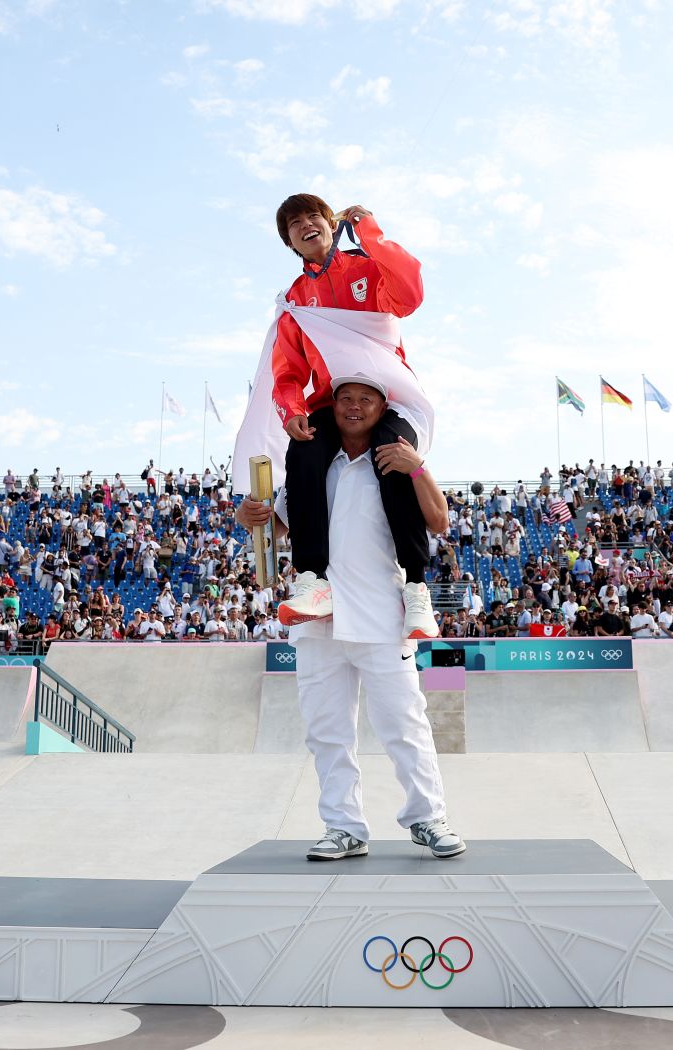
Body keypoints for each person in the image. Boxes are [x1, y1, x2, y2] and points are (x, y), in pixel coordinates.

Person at [235, 375, 464, 862]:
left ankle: (427, 818)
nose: (354, 407)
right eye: (345, 399)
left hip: (382, 617)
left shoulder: (397, 460)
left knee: (404, 725)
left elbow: (440, 522)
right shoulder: (312, 465)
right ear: (332, 405)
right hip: (318, 620)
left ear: (383, 407)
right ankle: (343, 827)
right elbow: (274, 528)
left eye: (366, 399)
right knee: (327, 731)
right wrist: (249, 516)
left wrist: (419, 467)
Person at [268, 194, 437, 640]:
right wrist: (293, 410)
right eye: (294, 224)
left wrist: (369, 231)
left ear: (330, 223)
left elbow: (410, 294)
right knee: (302, 456)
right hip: (331, 403)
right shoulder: (295, 303)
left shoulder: (365, 269)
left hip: (388, 397)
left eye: (313, 217)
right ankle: (312, 579)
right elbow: (287, 372)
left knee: (394, 456)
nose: (306, 225)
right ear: (289, 241)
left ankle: (417, 586)